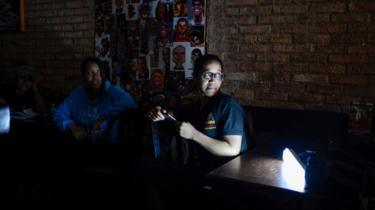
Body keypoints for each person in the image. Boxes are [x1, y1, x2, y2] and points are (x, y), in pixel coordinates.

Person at [135, 54, 248, 210]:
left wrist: (194, 134)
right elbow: (172, 116)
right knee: (144, 168)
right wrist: (159, 113)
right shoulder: (196, 107)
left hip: (226, 176)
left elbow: (232, 148)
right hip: (199, 169)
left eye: (218, 75)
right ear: (195, 77)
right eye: (207, 74)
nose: (213, 80)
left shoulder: (228, 105)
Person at [53, 57, 136, 143]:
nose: (95, 77)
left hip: (106, 146)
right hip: (81, 143)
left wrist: (103, 116)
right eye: (90, 73)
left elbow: (129, 101)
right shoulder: (77, 93)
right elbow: (58, 113)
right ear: (84, 77)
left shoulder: (111, 90)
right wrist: (72, 126)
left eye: (98, 72)